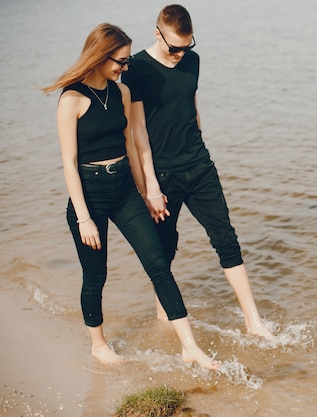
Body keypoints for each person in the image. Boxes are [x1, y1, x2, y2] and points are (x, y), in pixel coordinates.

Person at [42, 23, 220, 369]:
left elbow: (130, 145)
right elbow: (68, 162)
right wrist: (83, 218)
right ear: (100, 55)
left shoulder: (120, 92)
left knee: (159, 266)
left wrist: (144, 192)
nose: (125, 69)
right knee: (96, 275)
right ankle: (98, 344)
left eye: (126, 62)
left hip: (124, 188)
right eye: (120, 62)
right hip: (90, 195)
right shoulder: (71, 99)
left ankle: (189, 346)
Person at [122, 5, 274, 339]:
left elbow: (192, 108)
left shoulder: (193, 61)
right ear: (157, 32)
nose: (179, 54)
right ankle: (163, 316)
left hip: (199, 166)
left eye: (186, 47)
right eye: (173, 47)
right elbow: (137, 132)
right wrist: (149, 186)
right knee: (165, 247)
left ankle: (254, 322)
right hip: (162, 175)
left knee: (226, 238)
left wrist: (200, 147)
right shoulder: (136, 70)